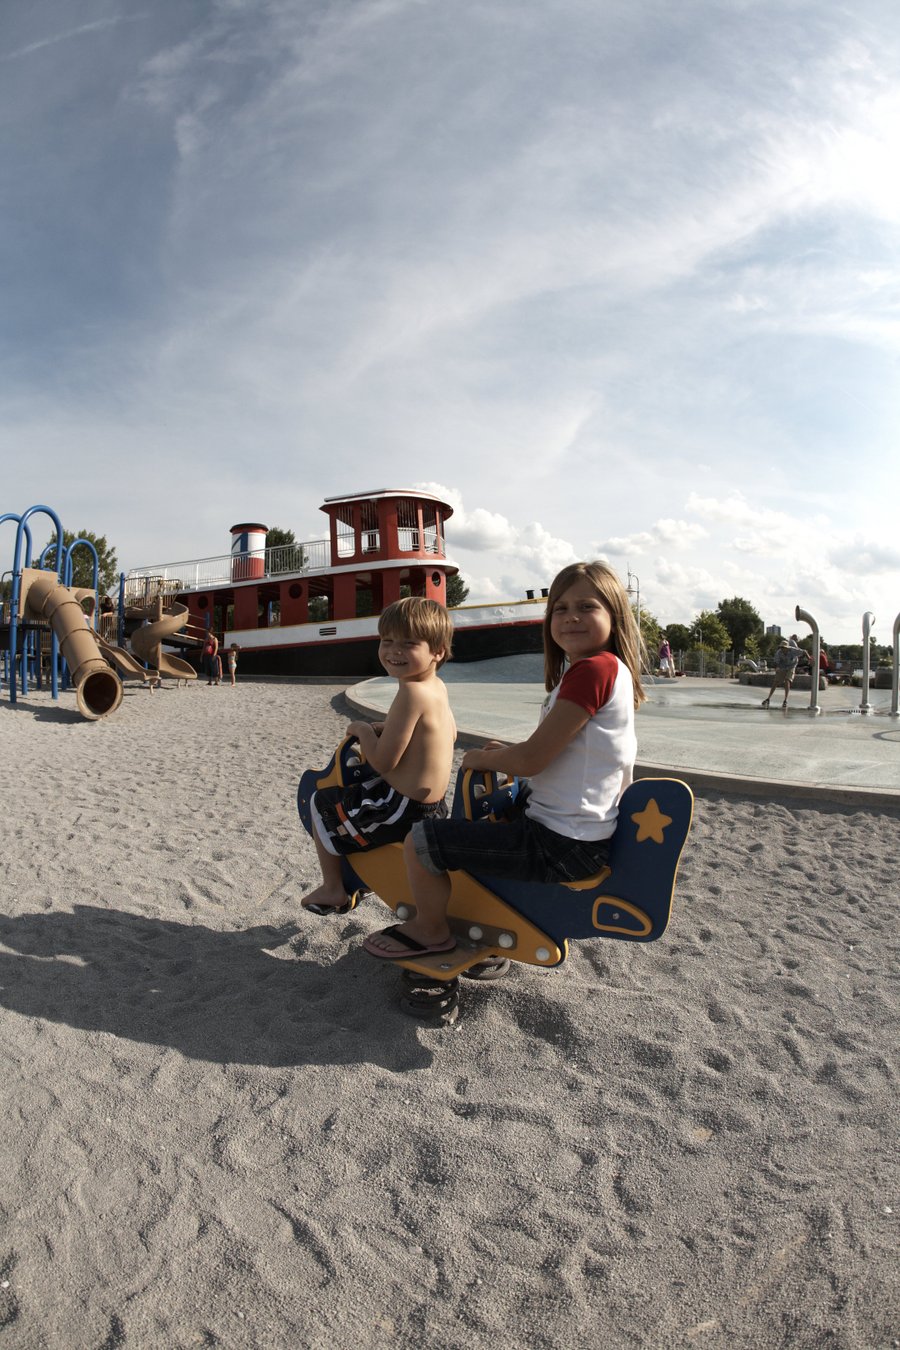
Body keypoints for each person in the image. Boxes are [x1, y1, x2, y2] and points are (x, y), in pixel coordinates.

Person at [363, 561, 646, 960]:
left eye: (587, 607)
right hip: (578, 831)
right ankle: (484, 914)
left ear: (614, 616)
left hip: (561, 842)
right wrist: (506, 754)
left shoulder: (592, 671)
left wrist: (483, 757)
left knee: (421, 841)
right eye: (561, 608)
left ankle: (430, 930)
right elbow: (563, 751)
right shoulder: (606, 670)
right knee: (483, 820)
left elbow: (532, 759)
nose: (571, 617)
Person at [301, 597, 457, 915]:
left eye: (409, 643)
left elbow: (382, 762)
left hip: (402, 808)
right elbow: (443, 733)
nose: (394, 651)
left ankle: (333, 889)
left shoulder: (410, 693)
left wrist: (363, 731)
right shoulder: (435, 687)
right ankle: (369, 874)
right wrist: (388, 726)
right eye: (387, 641)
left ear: (437, 651)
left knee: (323, 804)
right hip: (434, 807)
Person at [761, 639, 802, 709]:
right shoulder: (778, 653)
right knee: (776, 681)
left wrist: (810, 658)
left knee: (787, 680)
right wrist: (777, 668)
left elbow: (804, 652)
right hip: (783, 666)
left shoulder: (793, 650)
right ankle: (768, 698)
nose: (783, 649)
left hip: (792, 666)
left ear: (787, 648)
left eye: (784, 648)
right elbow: (777, 662)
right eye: (781, 648)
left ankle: (785, 700)